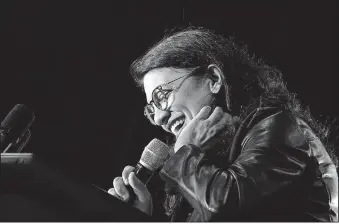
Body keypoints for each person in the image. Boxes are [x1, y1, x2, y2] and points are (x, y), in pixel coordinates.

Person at [108, 27, 338, 222]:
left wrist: (183, 158)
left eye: (162, 96)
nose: (159, 118)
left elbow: (229, 212)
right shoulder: (206, 165)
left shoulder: (282, 128)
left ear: (214, 80)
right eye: (151, 110)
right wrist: (139, 218)